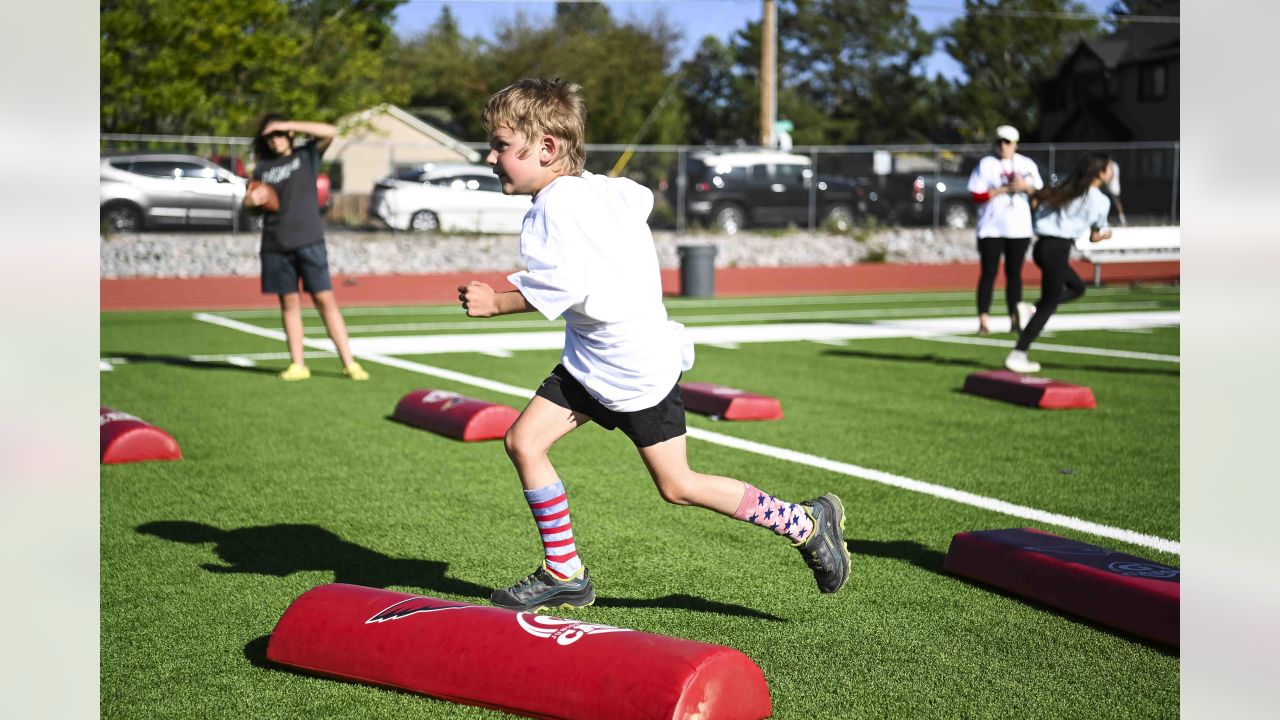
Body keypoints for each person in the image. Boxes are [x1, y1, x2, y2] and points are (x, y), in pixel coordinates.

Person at [458, 78, 850, 611]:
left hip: (633, 370)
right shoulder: (594, 189)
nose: (491, 156)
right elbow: (637, 197)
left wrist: (495, 301)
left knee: (678, 484)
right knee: (524, 442)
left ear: (546, 148)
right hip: (596, 361)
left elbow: (565, 284)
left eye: (501, 145)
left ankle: (806, 523)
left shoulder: (552, 207)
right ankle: (564, 572)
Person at [244, 115, 368, 382]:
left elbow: (330, 131)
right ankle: (298, 364)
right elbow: (251, 203)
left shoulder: (305, 155)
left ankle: (349, 362)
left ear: (288, 134)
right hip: (276, 244)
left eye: (278, 134)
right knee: (289, 303)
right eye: (269, 136)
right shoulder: (262, 168)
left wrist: (289, 124)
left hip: (309, 240)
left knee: (325, 299)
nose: (275, 139)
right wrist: (249, 200)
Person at [1004, 153, 1114, 373]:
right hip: (1058, 249)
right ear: (1100, 173)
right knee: (1049, 304)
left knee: (1077, 288)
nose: (1112, 172)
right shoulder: (1101, 200)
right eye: (1109, 168)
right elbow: (1094, 236)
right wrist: (1105, 236)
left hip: (1043, 248)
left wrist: (1028, 188)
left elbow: (1039, 196)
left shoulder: (1068, 189)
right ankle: (1018, 354)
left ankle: (1030, 310)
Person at [967, 125, 1044, 335]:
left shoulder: (1026, 164)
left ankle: (1014, 317)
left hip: (1019, 229)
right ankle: (984, 319)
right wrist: (1002, 189)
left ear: (1015, 144)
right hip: (991, 229)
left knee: (1014, 275)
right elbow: (976, 195)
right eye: (1000, 141)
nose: (1003, 146)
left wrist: (1025, 187)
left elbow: (1039, 193)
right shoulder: (986, 164)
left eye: (1008, 142)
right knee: (988, 274)